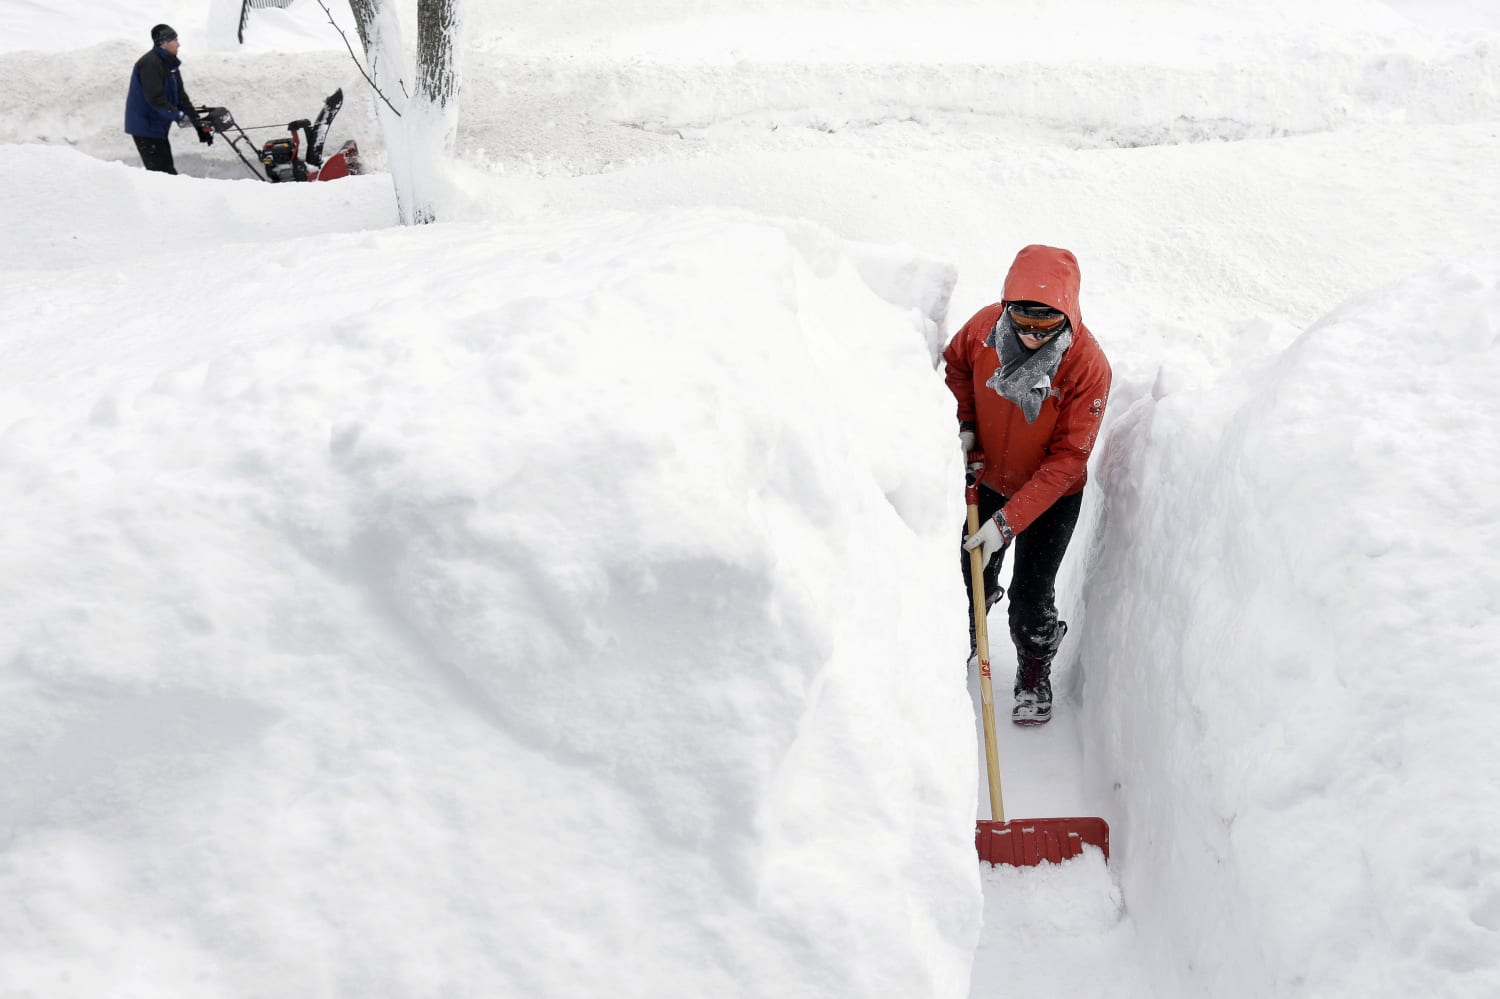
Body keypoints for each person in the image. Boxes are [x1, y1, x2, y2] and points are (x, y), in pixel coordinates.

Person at [943, 244, 1111, 725]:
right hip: (988, 476)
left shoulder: (1087, 366)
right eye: (1023, 323)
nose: (1033, 337)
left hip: (1052, 496)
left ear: (1068, 316)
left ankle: (1034, 671)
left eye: (1047, 327)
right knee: (970, 572)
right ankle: (969, 637)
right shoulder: (982, 332)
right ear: (1005, 308)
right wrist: (965, 425)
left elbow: (1068, 458)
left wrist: (1008, 522)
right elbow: (955, 368)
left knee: (1032, 595)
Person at [124, 24, 212, 174]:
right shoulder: (150, 63)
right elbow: (155, 98)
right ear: (163, 43)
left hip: (157, 127)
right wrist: (178, 116)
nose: (179, 44)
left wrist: (198, 125)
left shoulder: (169, 63)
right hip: (146, 127)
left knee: (165, 173)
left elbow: (181, 97)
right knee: (164, 174)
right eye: (175, 40)